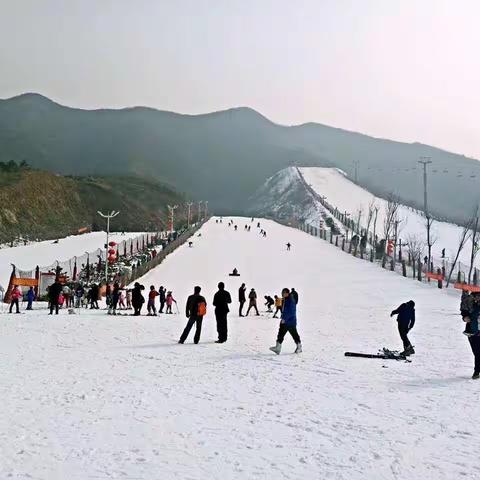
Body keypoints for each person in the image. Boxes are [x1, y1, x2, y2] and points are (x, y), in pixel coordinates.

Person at [270, 288, 302, 354]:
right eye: (282, 292)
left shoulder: (291, 300)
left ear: (287, 293)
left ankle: (299, 347)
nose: (282, 294)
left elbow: (291, 311)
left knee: (293, 334)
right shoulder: (287, 299)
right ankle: (277, 348)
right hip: (288, 321)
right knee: (281, 333)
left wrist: (284, 319)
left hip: (290, 321)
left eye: (283, 292)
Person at [461, 291, 480, 379]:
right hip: (472, 332)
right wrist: (465, 318)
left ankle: (477, 371)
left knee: (478, 353)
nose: (477, 298)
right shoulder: (470, 304)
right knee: (476, 352)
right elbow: (464, 312)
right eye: (476, 296)